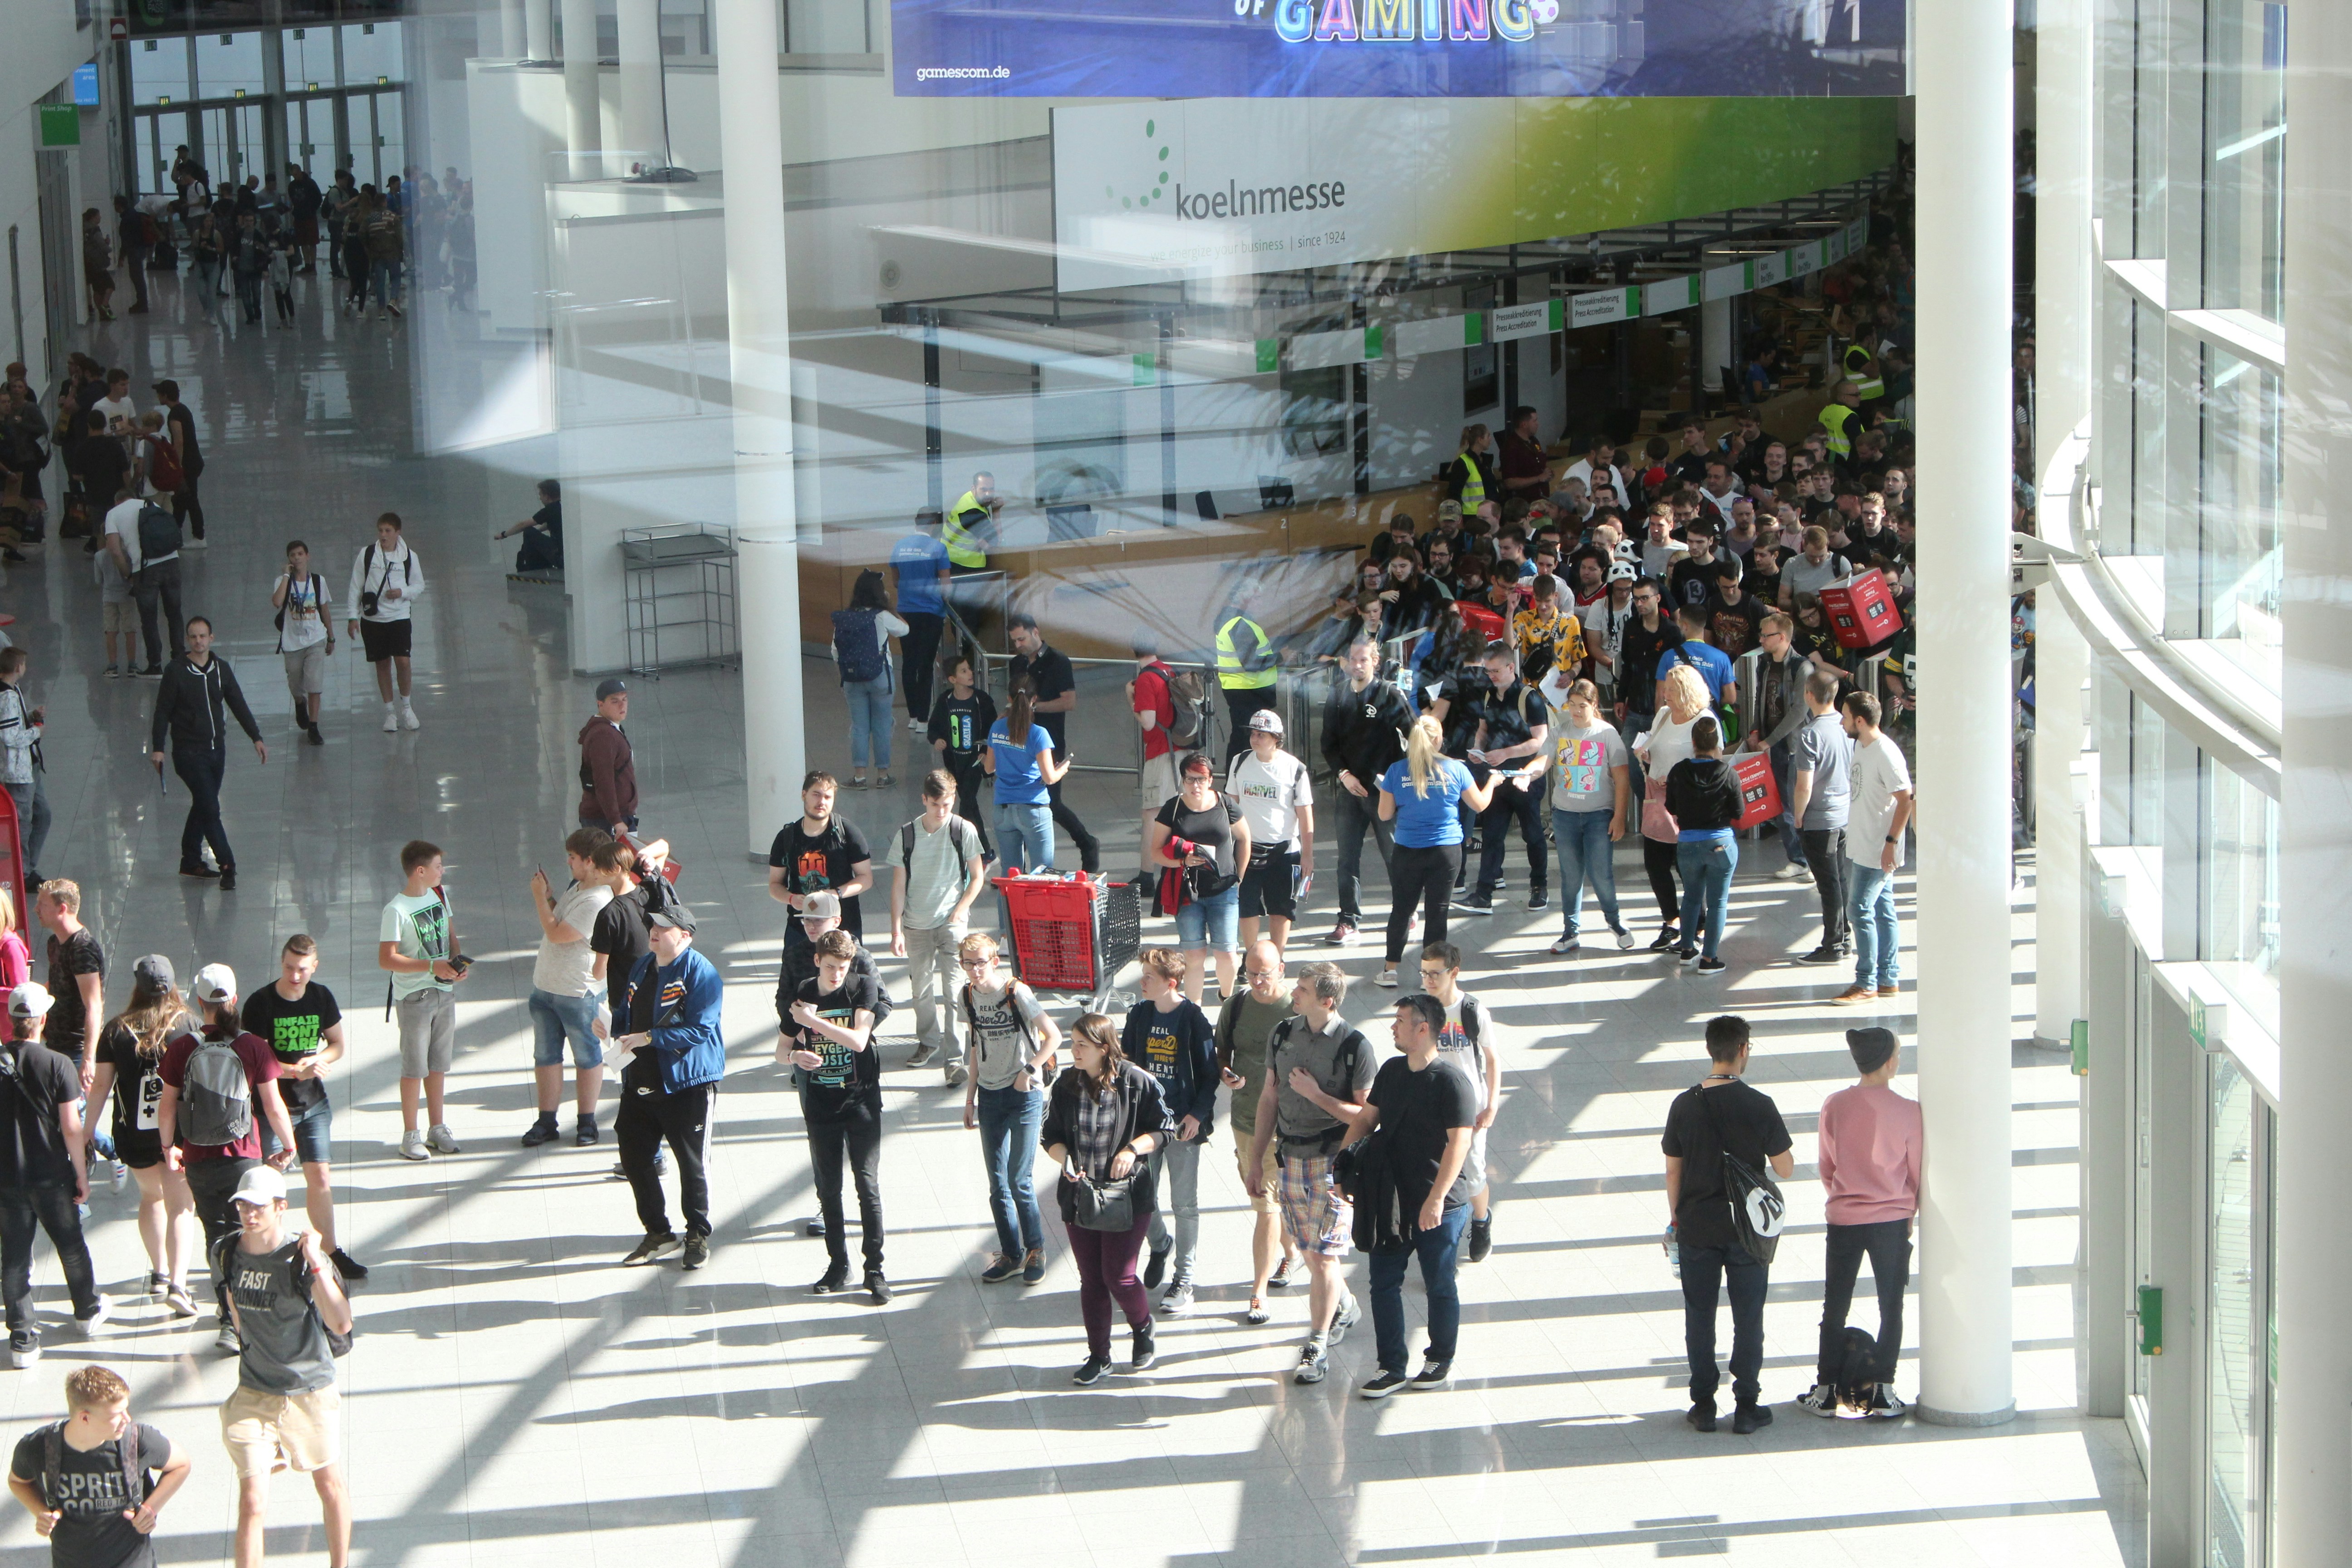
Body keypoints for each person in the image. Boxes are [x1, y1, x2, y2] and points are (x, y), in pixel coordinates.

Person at [1661, 1014, 1794, 1435]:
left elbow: (1672, 1172)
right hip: (1746, 1229)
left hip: (1698, 1226)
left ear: (1709, 1051)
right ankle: (1747, 1405)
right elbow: (1786, 1168)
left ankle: (1703, 1404)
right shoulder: (1759, 1104)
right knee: (1748, 1315)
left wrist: (1676, 1219)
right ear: (1743, 1050)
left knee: (1699, 1315)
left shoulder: (1684, 1104)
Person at [214, 1165, 353, 1568]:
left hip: (309, 1390)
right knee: (252, 1501)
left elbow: (341, 1322)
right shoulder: (225, 1252)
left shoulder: (298, 1258)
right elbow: (234, 1308)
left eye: (258, 1206)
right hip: (254, 1394)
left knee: (329, 1485)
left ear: (281, 1208)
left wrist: (314, 1260)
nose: (248, 1213)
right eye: (243, 1205)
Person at [1338, 994, 1475, 1397]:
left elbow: (1458, 1146)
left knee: (1439, 1284)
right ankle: (1391, 1366)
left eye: (1400, 1021)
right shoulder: (1394, 1071)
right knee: (1382, 1282)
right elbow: (1366, 1118)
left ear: (1423, 1029)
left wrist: (1436, 1200)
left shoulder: (1451, 1082)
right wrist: (1344, 1166)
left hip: (1441, 1205)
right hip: (1391, 1200)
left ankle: (1439, 1358)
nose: (1393, 1027)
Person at [158, 965, 298, 1354]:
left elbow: (167, 1107)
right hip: (244, 1160)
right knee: (253, 1234)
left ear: (198, 1003)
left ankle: (227, 1320)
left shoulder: (182, 1047)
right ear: (234, 1000)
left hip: (199, 1160)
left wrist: (170, 1147)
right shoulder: (253, 1047)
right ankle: (258, 1310)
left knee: (217, 1239)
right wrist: (289, 1146)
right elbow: (273, 1105)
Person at [1242, 962, 1369, 1382]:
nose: (1293, 993)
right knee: (1312, 1254)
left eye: (1302, 989)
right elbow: (1268, 1098)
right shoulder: (1284, 1033)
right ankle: (1344, 1307)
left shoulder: (1354, 1046)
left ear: (1327, 1000)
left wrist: (1317, 1096)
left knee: (1326, 1255)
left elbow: (1365, 1118)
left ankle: (1316, 1343)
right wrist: (1257, 1158)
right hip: (1290, 1158)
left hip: (1332, 1162)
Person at [1041, 1013, 1171, 1385]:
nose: (1074, 1051)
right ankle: (1099, 1355)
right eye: (1073, 1043)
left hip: (1127, 1196)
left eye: (1082, 1044)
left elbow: (1164, 1128)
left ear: (1104, 1047)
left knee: (1119, 1275)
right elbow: (1049, 1136)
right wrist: (1065, 1159)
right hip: (1081, 1194)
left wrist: (1132, 1149)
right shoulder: (1067, 1084)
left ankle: (1142, 1327)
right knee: (1092, 1279)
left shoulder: (1135, 1082)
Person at [1799, 1026, 1919, 1420]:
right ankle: (1883, 1391)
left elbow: (1827, 1164)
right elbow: (1915, 1170)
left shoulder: (1835, 1104)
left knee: (1835, 1306)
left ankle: (1825, 1390)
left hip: (1845, 1218)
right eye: (1898, 1054)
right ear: (1888, 1063)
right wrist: (1910, 1208)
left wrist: (1846, 1194)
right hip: (1892, 1219)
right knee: (1892, 1306)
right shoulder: (1909, 1110)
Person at [238, 940, 363, 1283]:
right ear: (282, 964)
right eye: (290, 967)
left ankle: (331, 1251)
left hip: (314, 1104)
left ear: (315, 967)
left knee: (320, 1178)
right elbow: (257, 1059)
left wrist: (318, 1060)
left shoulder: (321, 997)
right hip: (272, 1107)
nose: (295, 975)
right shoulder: (261, 1004)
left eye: (302, 969)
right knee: (267, 1184)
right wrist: (295, 1070)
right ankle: (264, 1253)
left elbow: (337, 1045)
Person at [613, 905, 725, 1269]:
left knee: (692, 1163)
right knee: (634, 1156)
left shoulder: (701, 972)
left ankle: (697, 1233)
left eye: (665, 927)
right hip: (641, 1081)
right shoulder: (643, 966)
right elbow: (626, 1012)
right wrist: (613, 1030)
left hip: (686, 1084)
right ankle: (658, 1232)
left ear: (686, 936)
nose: (655, 932)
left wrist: (649, 1037)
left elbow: (701, 1029)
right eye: (654, 926)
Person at [0, 985, 106, 1366]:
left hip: (8, 1179)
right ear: (42, 1020)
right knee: (71, 1245)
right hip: (51, 1175)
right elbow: (71, 1128)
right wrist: (82, 1174)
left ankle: (23, 1338)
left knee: (13, 1258)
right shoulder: (58, 1064)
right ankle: (86, 1311)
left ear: (13, 1022)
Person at [781, 929, 889, 1300]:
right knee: (829, 1189)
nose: (836, 975)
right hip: (822, 1104)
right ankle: (837, 1263)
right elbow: (781, 1051)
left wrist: (814, 1024)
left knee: (867, 1185)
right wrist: (796, 1057)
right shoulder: (805, 995)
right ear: (817, 961)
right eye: (830, 967)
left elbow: (859, 1040)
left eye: (842, 968)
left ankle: (874, 1268)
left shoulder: (862, 987)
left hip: (861, 1102)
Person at [89, 959, 197, 1317]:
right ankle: (180, 1284)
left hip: (134, 1133)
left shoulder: (116, 1030)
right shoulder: (188, 1024)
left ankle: (159, 1273)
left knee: (152, 1197)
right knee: (181, 1205)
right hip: (180, 1133)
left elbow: (101, 1087)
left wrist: (87, 1133)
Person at [9, 1364, 192, 1568]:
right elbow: (17, 1481)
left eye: (126, 1409)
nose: (127, 1419)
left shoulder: (137, 1440)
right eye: (116, 1415)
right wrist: (40, 1511)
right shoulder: (38, 1447)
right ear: (85, 1418)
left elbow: (181, 1464)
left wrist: (151, 1508)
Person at [956, 932, 1059, 1286]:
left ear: (995, 961)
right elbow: (975, 1046)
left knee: (1020, 1179)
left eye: (981, 962)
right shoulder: (968, 996)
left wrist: (1030, 1071)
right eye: (968, 963)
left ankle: (1036, 1249)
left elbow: (1053, 1036)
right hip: (990, 1095)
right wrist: (970, 1099)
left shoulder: (1017, 993)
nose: (974, 970)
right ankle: (1012, 1253)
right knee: (997, 1183)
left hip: (1025, 1095)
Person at [1373, 716, 1502, 990]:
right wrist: (1492, 782)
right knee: (1437, 912)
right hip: (1446, 851)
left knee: (1402, 910)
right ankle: (1431, 976)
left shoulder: (1397, 771)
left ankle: (1390, 970)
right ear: (1438, 740)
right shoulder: (1455, 769)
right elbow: (1479, 806)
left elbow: (1384, 815)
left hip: (1407, 850)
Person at [1121, 950, 1217, 1314]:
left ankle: (1185, 1277)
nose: (1142, 982)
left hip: (1181, 1125)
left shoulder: (1192, 1019)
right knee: (1140, 1196)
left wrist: (1196, 1115)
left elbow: (1210, 1074)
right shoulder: (1140, 1014)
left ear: (1170, 983)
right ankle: (1161, 1243)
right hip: (1147, 1124)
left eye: (1148, 977)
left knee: (1184, 1203)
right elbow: (1129, 1060)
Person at [148, 619, 266, 892]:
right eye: (193, 637)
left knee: (204, 803)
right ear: (188, 640)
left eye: (202, 636)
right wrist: (158, 748)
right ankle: (228, 866)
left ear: (211, 637)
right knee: (211, 808)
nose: (198, 641)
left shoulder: (221, 669)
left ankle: (190, 860)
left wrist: (256, 737)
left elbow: (237, 703)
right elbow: (162, 711)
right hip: (188, 753)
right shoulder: (176, 671)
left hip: (216, 751)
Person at [1216, 941, 1300, 1324]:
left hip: (1287, 1125)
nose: (1258, 981)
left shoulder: (1297, 1010)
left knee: (1265, 1205)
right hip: (1244, 1119)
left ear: (1281, 969)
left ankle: (1258, 1293)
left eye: (1265, 974)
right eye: (1251, 974)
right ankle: (1292, 1253)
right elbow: (1220, 1051)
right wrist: (1225, 1073)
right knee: (1262, 1196)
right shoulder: (1236, 1006)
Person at [887, 770, 986, 1083]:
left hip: (951, 922)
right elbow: (898, 885)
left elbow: (978, 876)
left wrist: (961, 908)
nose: (942, 811)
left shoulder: (963, 830)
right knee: (921, 991)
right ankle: (929, 1041)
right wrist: (896, 930)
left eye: (947, 804)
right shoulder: (908, 835)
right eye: (935, 805)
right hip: (916, 924)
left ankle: (954, 1059)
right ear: (924, 801)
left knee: (955, 989)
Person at [521, 831, 615, 1149]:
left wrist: (537, 898)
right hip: (547, 986)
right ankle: (546, 1120)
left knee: (587, 1057)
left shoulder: (599, 898)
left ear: (590, 862)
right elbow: (559, 916)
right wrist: (549, 897)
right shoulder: (579, 887)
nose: (569, 862)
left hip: (579, 992)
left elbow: (559, 933)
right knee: (546, 1056)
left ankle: (587, 1121)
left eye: (573, 858)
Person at [1319, 639, 1415, 947]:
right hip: (1350, 789)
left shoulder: (1388, 693)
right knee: (1347, 857)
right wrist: (1344, 775)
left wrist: (1400, 778)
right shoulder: (1338, 694)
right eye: (1352, 659)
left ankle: (1407, 909)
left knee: (1394, 854)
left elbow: (1416, 735)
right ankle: (1348, 920)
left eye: (1363, 660)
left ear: (1375, 661)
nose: (1357, 665)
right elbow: (1328, 743)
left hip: (1384, 791)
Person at [1416, 943, 1505, 1260]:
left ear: (1454, 972)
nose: (1428, 979)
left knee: (1473, 1173)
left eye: (1435, 973)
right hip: (1432, 1101)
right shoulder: (1420, 1008)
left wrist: (1492, 1104)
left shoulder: (1472, 1011)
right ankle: (1442, 1239)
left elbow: (1492, 1060)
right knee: (1435, 1171)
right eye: (1424, 973)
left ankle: (1481, 1221)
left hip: (1469, 1105)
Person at [378, 841, 466, 1161]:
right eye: (439, 866)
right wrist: (431, 966)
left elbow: (451, 936)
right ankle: (410, 1134)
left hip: (444, 991)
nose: (442, 871)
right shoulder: (396, 910)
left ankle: (437, 1127)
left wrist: (456, 963)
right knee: (414, 1067)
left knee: (439, 1064)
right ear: (420, 871)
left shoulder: (439, 895)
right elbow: (387, 959)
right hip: (415, 997)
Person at [1146, 754, 1250, 1005]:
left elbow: (1245, 839)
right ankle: (1194, 1010)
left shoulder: (1226, 805)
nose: (1196, 786)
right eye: (1190, 780)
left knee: (1227, 954)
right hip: (1187, 892)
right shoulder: (1173, 808)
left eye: (1201, 780)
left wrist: (1239, 879)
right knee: (1194, 956)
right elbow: (1155, 851)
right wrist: (1182, 862)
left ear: (1210, 780)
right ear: (1182, 781)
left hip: (1224, 890)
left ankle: (1227, 1000)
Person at [1544, 677, 1634, 955]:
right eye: (1571, 705)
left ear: (1595, 705)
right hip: (1566, 814)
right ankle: (1570, 932)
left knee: (1601, 874)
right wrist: (1528, 774)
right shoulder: (1559, 732)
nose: (1576, 711)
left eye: (1582, 706)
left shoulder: (1607, 735)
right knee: (1571, 876)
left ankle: (1615, 922)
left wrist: (1620, 817)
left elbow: (1622, 779)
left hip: (1598, 815)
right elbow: (1544, 761)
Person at [766, 771, 875, 994]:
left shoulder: (848, 833)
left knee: (848, 986)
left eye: (828, 797)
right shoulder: (787, 838)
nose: (821, 802)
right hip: (800, 929)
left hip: (843, 925)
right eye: (816, 795)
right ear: (804, 795)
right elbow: (774, 885)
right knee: (796, 987)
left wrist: (837, 893)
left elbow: (865, 878)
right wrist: (791, 898)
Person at [1837, 691, 1914, 1005]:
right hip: (1863, 843)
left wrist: (1891, 843)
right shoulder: (1861, 745)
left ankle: (1866, 981)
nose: (1841, 722)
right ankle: (1888, 978)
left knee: (1859, 909)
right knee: (1883, 910)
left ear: (1859, 720)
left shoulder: (1886, 753)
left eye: (1845, 716)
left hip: (1877, 848)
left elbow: (1906, 798)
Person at [1461, 644, 1550, 916]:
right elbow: (1483, 729)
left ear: (1511, 668)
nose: (1492, 676)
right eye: (1488, 672)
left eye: (1496, 671)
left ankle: (1539, 886)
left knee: (1533, 834)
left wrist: (1505, 753)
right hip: (1498, 776)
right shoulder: (1488, 695)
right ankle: (1484, 892)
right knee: (1492, 834)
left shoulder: (1529, 698)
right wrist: (1479, 750)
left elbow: (1540, 740)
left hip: (1525, 777)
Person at [1008, 614, 1100, 873]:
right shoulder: (1017, 663)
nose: (1019, 645)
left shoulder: (1058, 661)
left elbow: (1069, 702)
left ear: (1036, 632)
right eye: (1015, 641)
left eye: (1022, 639)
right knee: (1023, 803)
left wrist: (1034, 708)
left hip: (1050, 740)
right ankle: (1019, 867)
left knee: (1051, 803)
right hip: (1022, 739)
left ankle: (1086, 843)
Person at [1226, 710, 1315, 958]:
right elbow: (1230, 807)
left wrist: (1308, 855)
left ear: (1276, 738)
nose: (1255, 739)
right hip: (1246, 849)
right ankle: (1252, 957)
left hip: (1284, 852)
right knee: (1247, 908)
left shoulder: (1294, 768)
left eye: (1261, 735)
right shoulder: (1240, 762)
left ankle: (1276, 959)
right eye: (1253, 734)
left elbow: (1305, 814)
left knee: (1281, 909)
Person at [1785, 668, 1855, 965]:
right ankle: (1845, 936)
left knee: (1827, 884)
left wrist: (1798, 817)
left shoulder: (1810, 734)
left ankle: (1833, 945)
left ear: (1809, 695)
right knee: (1839, 880)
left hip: (1819, 820)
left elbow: (1804, 785)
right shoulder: (1847, 727)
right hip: (1844, 815)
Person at [1665, 716, 1742, 975]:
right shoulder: (1728, 773)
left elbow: (1671, 807)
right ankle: (1709, 959)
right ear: (1718, 743)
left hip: (1687, 844)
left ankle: (1687, 950)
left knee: (1692, 897)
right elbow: (1739, 812)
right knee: (1718, 901)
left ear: (1694, 742)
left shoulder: (1679, 770)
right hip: (1720, 844)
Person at [1741, 611, 1815, 879]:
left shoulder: (1801, 667)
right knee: (1780, 803)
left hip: (1792, 745)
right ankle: (1796, 858)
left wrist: (1769, 741)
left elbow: (1799, 711)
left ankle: (1807, 859)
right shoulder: (1765, 663)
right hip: (1769, 741)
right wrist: (1754, 728)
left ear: (1782, 637)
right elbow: (1760, 697)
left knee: (1796, 802)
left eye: (1766, 635)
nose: (1761, 639)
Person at [344, 513, 424, 733]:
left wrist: (402, 592)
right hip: (373, 619)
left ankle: (407, 707)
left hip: (399, 616)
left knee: (403, 662)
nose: (383, 535)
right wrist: (352, 617)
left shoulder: (409, 557)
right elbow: (356, 586)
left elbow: (419, 585)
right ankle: (390, 712)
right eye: (381, 530)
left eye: (388, 531)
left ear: (398, 532)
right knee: (382, 664)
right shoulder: (367, 554)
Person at [831, 569, 908, 789]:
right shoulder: (882, 616)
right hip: (880, 676)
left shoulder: (845, 618)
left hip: (852, 679)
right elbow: (905, 630)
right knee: (883, 725)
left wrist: (845, 674)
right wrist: (889, 606)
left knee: (859, 726)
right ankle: (883, 775)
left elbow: (835, 650)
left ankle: (859, 777)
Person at [984, 679, 1067, 872]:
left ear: (1009, 699)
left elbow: (989, 768)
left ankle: (1006, 905)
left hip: (1003, 809)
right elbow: (1049, 778)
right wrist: (1063, 768)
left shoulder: (997, 728)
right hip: (1033, 808)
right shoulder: (1039, 734)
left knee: (1009, 875)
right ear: (1034, 699)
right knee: (1042, 874)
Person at [103, 485, 181, 679]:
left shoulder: (113, 514)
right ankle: (180, 659)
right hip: (171, 561)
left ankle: (155, 665)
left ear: (117, 501)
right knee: (174, 613)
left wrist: (128, 574)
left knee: (149, 619)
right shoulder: (150, 503)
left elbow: (114, 549)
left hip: (145, 569)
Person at [926, 653, 996, 860]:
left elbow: (993, 728)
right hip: (955, 763)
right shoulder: (945, 701)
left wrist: (986, 752)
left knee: (966, 803)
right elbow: (934, 728)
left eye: (969, 669)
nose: (970, 674)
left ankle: (961, 845)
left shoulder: (981, 700)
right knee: (969, 802)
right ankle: (985, 851)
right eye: (964, 671)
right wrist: (937, 739)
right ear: (952, 679)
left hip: (976, 760)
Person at [35, 885, 104, 1090]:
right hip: (55, 1044)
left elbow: (94, 1006)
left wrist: (88, 1060)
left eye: (43, 904)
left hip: (75, 1050)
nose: (36, 909)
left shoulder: (82, 950)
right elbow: (57, 983)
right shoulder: (54, 942)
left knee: (76, 1114)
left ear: (62, 909)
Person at [888, 511, 950, 739]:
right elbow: (946, 586)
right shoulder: (938, 548)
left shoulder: (900, 546)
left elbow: (896, 580)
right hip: (931, 613)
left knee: (909, 663)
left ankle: (914, 716)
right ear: (934, 524)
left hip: (906, 611)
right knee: (926, 665)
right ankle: (925, 719)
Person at [270, 542, 334, 746]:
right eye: (293, 555)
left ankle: (314, 727)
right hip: (292, 641)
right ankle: (300, 702)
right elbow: (277, 602)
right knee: (295, 682)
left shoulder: (318, 581)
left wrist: (331, 637)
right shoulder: (283, 581)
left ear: (308, 556)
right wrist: (287, 577)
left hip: (315, 638)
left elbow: (324, 610)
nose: (297, 558)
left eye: (300, 554)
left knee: (315, 683)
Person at [0, 650, 49, 885]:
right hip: (18, 772)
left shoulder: (13, 691)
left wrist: (31, 716)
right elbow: (9, 737)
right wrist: (35, 732)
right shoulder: (7, 696)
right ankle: (23, 873)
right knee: (23, 823)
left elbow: (12, 722)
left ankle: (27, 866)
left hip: (30, 766)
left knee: (42, 815)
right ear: (18, 667)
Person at [1213, 597, 1280, 763]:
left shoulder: (1232, 622)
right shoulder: (1239, 624)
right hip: (1250, 692)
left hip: (1244, 690)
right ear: (1244, 600)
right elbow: (1251, 663)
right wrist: (1280, 656)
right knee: (1248, 740)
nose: (1260, 602)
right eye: (1256, 598)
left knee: (1245, 739)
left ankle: (1236, 782)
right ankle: (1237, 782)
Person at [577, 678, 637, 835]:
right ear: (600, 704)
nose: (622, 706)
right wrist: (616, 820)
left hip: (612, 817)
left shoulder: (609, 729)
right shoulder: (603, 736)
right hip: (606, 821)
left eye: (625, 700)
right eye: (615, 701)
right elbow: (604, 781)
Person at [150, 382, 204, 550]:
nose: (158, 397)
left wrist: (176, 466)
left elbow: (179, 441)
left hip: (186, 463)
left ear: (165, 396)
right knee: (180, 500)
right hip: (194, 460)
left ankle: (199, 536)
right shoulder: (184, 410)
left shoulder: (174, 415)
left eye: (160, 394)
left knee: (190, 499)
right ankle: (175, 532)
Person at [1657, 605, 1737, 715]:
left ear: (1685, 626)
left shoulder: (1669, 656)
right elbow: (1731, 698)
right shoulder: (1721, 658)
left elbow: (1660, 697)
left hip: (1678, 722)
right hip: (1709, 723)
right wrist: (1712, 702)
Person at [492, 479, 564, 574]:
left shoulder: (550, 510)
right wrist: (538, 532)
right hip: (565, 555)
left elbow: (523, 525)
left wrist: (504, 535)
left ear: (547, 497)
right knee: (534, 535)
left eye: (541, 495)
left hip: (558, 555)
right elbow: (551, 523)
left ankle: (533, 569)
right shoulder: (563, 507)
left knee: (529, 532)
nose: (540, 498)